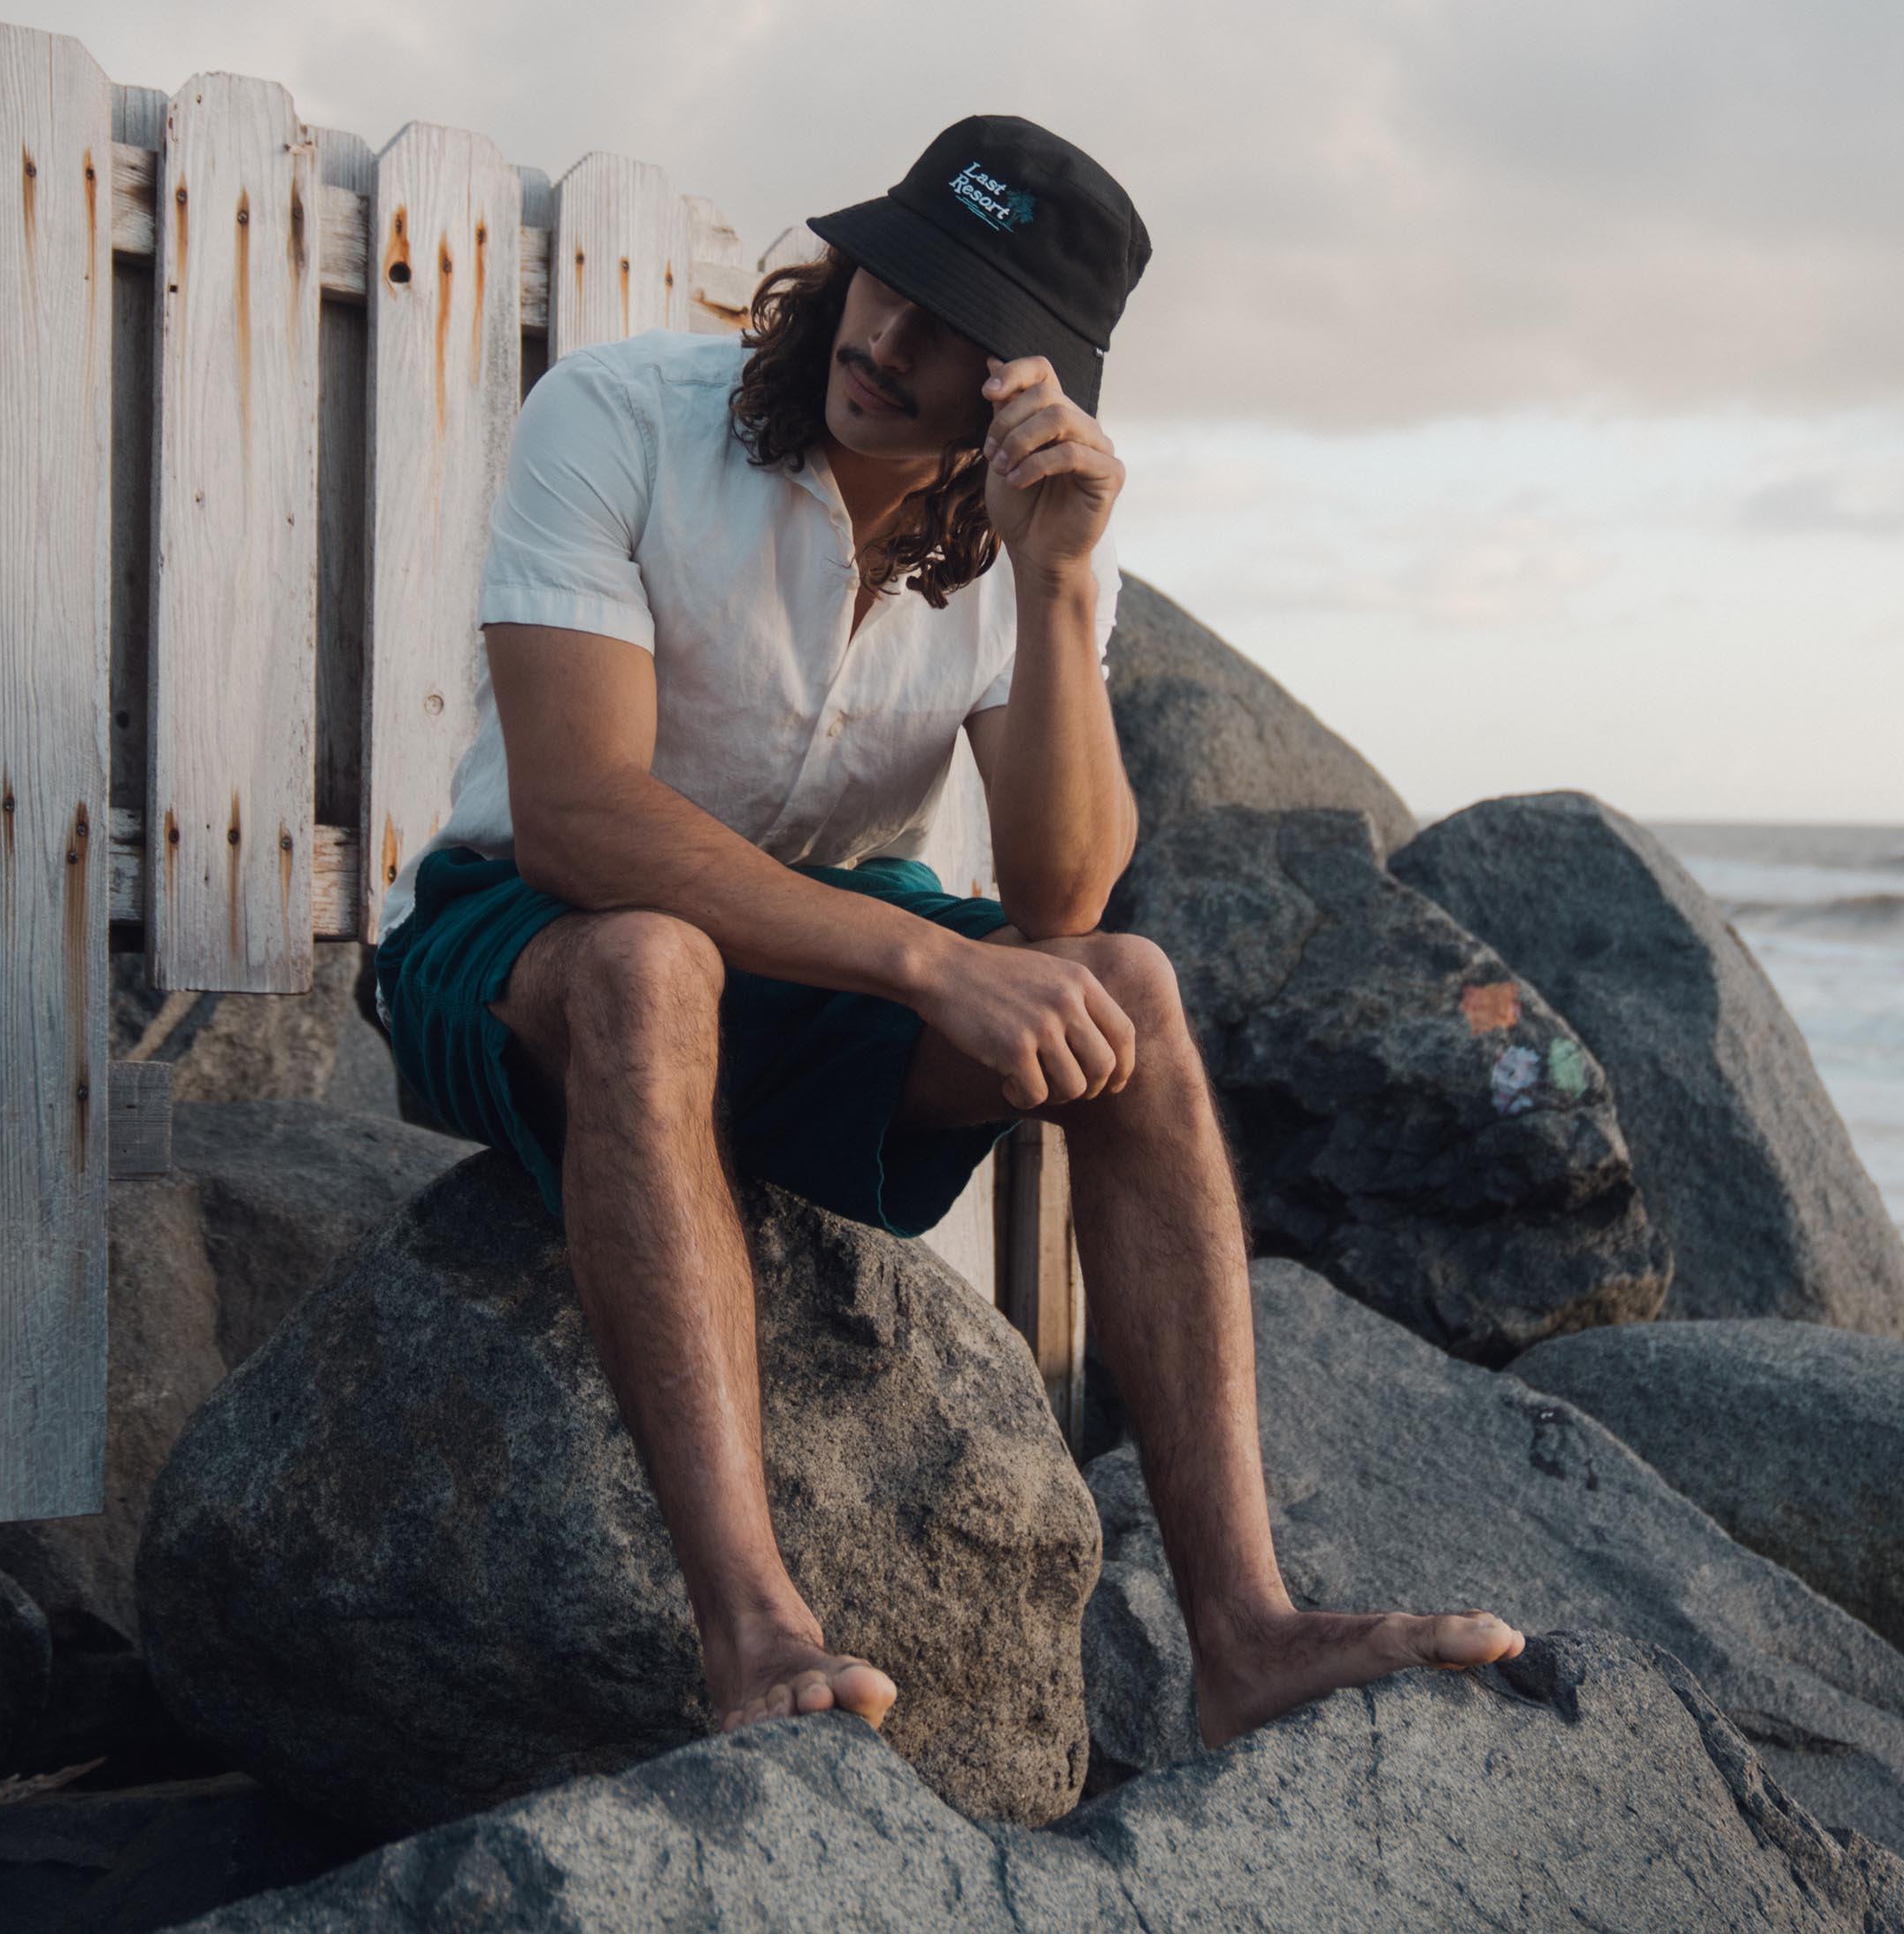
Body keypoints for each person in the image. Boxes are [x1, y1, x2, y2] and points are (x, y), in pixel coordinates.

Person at [374, 113, 1524, 1742]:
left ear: (1030, 381)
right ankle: (753, 1633)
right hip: (528, 942)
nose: (889, 338)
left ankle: (1245, 1630)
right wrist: (924, 960)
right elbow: (578, 816)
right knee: (655, 964)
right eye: (886, 280)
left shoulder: (1026, 545)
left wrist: (1056, 585)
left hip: (795, 972)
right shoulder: (619, 419)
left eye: (956, 322)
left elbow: (1060, 904)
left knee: (1126, 989)